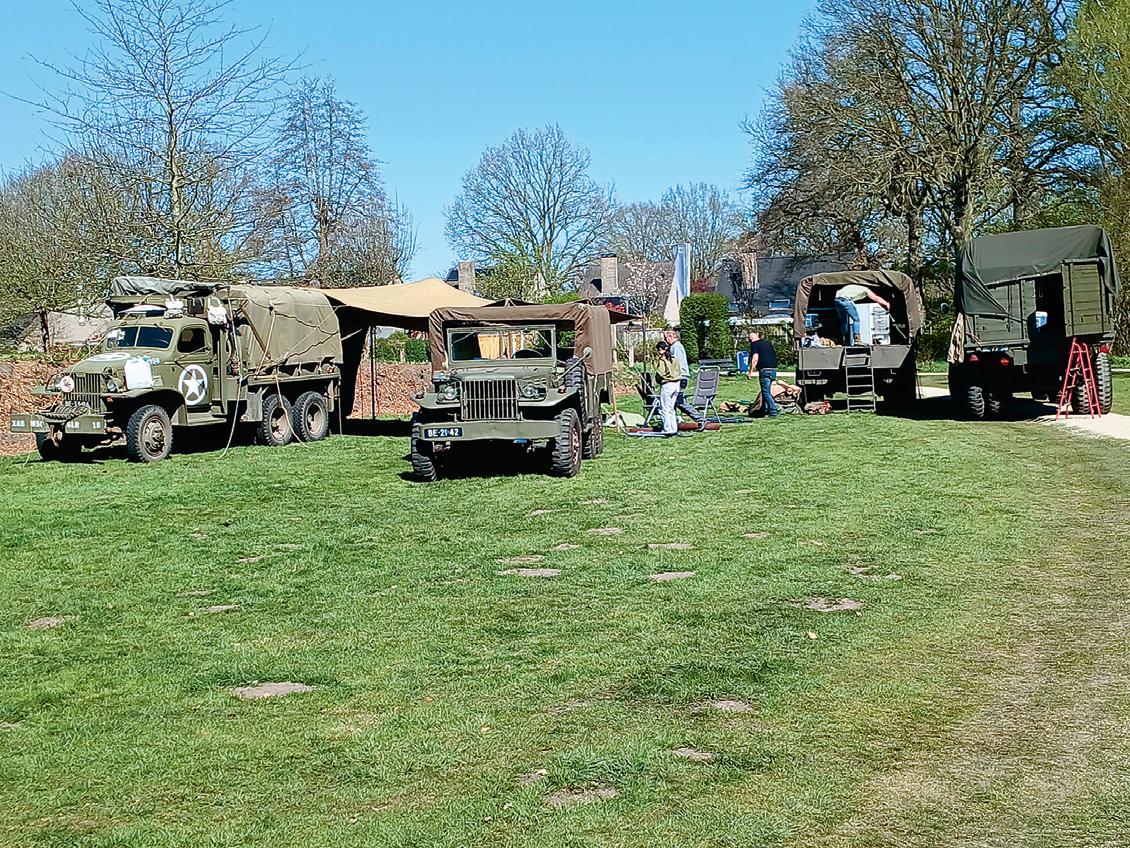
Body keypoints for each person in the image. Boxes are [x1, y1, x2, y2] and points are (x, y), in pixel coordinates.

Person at [664, 327, 706, 427]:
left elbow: (675, 363)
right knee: (673, 401)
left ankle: (700, 419)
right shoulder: (676, 346)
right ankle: (672, 422)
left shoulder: (676, 347)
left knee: (679, 401)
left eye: (665, 337)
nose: (665, 340)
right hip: (680, 377)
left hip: (679, 377)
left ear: (671, 336)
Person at [746, 329, 780, 418]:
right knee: (767, 392)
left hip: (764, 370)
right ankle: (764, 410)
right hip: (773, 369)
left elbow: (755, 358)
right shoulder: (768, 343)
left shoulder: (754, 345)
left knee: (766, 393)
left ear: (750, 338)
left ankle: (773, 411)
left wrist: (750, 372)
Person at [654, 340, 681, 435]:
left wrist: (658, 379)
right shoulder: (674, 358)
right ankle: (674, 428)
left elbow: (661, 372)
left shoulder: (662, 360)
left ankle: (667, 429)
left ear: (660, 349)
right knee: (671, 408)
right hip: (677, 384)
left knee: (664, 408)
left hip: (667, 384)